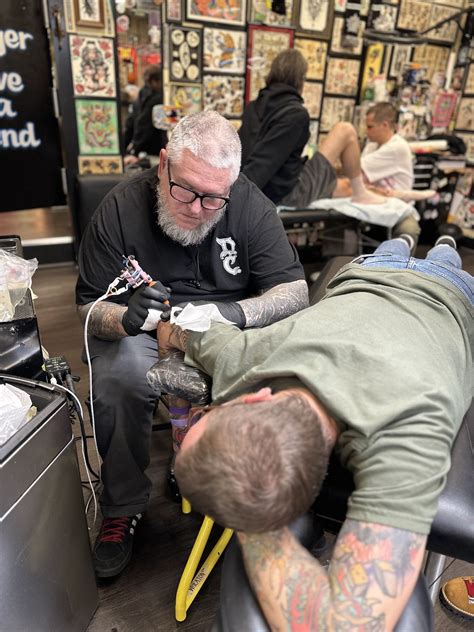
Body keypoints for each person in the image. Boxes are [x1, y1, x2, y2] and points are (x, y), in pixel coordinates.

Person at [158, 233, 472, 630]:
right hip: (375, 277)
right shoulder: (246, 359)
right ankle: (426, 245)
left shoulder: (408, 424)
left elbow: (352, 624)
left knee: (436, 254)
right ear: (254, 399)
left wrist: (254, 521)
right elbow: (183, 333)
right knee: (422, 252)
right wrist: (244, 488)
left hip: (436, 290)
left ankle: (430, 245)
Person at [75, 110, 309, 578]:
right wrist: (124, 317)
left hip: (226, 322)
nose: (198, 209)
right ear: (164, 163)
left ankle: (217, 476)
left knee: (279, 372)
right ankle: (123, 505)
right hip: (145, 326)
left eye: (214, 199)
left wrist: (234, 314)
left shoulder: (248, 203)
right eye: (185, 190)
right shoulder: (120, 209)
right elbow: (88, 309)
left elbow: (294, 291)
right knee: (120, 379)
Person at [239, 48, 388, 209]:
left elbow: (250, 156)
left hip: (260, 188)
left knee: (343, 186)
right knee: (345, 130)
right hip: (284, 196)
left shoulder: (253, 107)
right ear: (301, 80)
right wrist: (242, 204)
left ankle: (362, 191)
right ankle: (360, 193)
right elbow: (264, 164)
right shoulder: (295, 115)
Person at [123, 65, 168, 164]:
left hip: (143, 151)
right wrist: (135, 150)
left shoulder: (140, 96)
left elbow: (130, 123)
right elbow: (144, 124)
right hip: (155, 151)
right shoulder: (158, 99)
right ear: (154, 81)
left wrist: (127, 149)